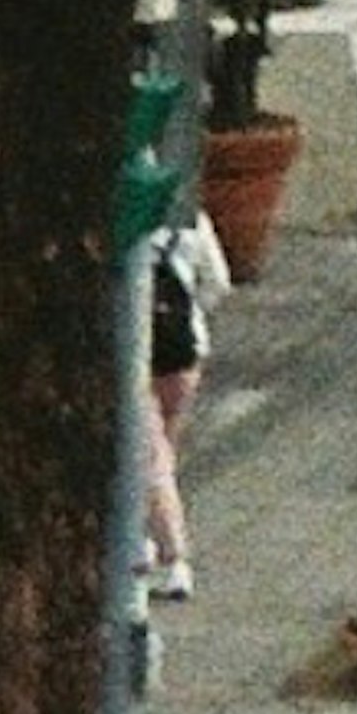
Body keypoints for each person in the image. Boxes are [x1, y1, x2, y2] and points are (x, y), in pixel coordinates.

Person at [141, 195, 231, 596]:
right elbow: (217, 284)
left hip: (136, 356)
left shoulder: (118, 223)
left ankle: (173, 556)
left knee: (152, 457)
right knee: (162, 451)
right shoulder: (190, 221)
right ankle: (144, 534)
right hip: (184, 351)